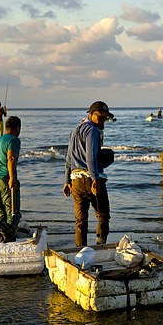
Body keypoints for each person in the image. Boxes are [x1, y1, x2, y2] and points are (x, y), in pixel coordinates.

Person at [63, 101, 114, 247]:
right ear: (91, 114)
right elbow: (90, 157)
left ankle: (80, 253)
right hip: (90, 179)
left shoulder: (74, 131)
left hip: (76, 182)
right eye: (101, 116)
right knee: (103, 215)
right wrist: (95, 179)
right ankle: (100, 246)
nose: (103, 120)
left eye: (105, 117)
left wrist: (66, 181)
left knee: (80, 221)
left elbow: (68, 159)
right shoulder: (93, 131)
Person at [0, 116, 22, 229]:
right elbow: (11, 158)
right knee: (12, 211)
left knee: (0, 212)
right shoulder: (14, 140)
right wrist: (12, 178)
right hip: (5, 179)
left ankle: (1, 233)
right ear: (17, 128)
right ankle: (10, 235)